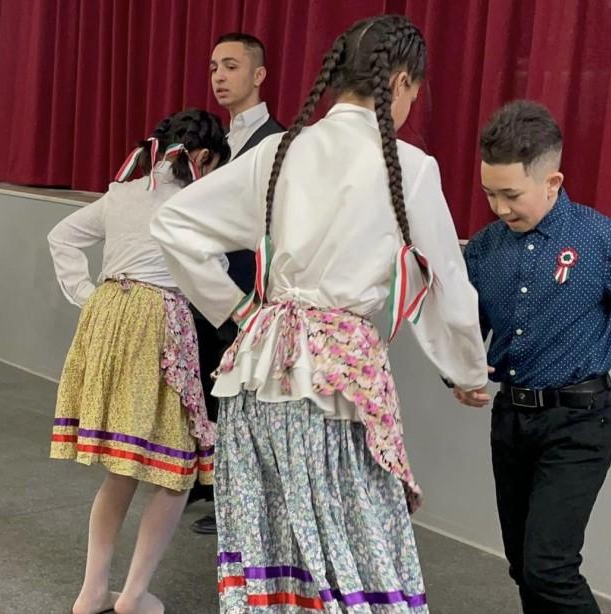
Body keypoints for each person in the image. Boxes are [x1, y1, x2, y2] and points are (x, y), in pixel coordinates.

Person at [153, 15, 489, 612]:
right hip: (337, 382)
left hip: (260, 369)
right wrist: (467, 371)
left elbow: (173, 222)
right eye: (413, 92)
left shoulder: (279, 151)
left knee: (273, 532)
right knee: (351, 540)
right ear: (401, 82)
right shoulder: (410, 166)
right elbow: (448, 285)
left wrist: (238, 310)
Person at [457, 99, 611, 613]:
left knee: (549, 568)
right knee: (523, 565)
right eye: (490, 193)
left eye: (511, 195)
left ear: (552, 182)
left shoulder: (601, 239)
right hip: (511, 420)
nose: (499, 208)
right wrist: (461, 372)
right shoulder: (485, 248)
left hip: (578, 423)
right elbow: (468, 327)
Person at [47, 109, 230, 614]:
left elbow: (62, 236)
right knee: (175, 468)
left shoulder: (123, 192)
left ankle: (92, 590)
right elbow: (209, 273)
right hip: (160, 323)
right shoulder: (192, 202)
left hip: (110, 314)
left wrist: (90, 296)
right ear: (202, 157)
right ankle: (132, 594)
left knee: (122, 466)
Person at [187, 31, 287, 537]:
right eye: (213, 68)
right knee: (207, 390)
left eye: (230, 66)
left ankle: (237, 503)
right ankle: (208, 483)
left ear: (259, 74)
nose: (219, 77)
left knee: (241, 404)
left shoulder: (277, 140)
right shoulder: (215, 142)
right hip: (208, 291)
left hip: (250, 295)